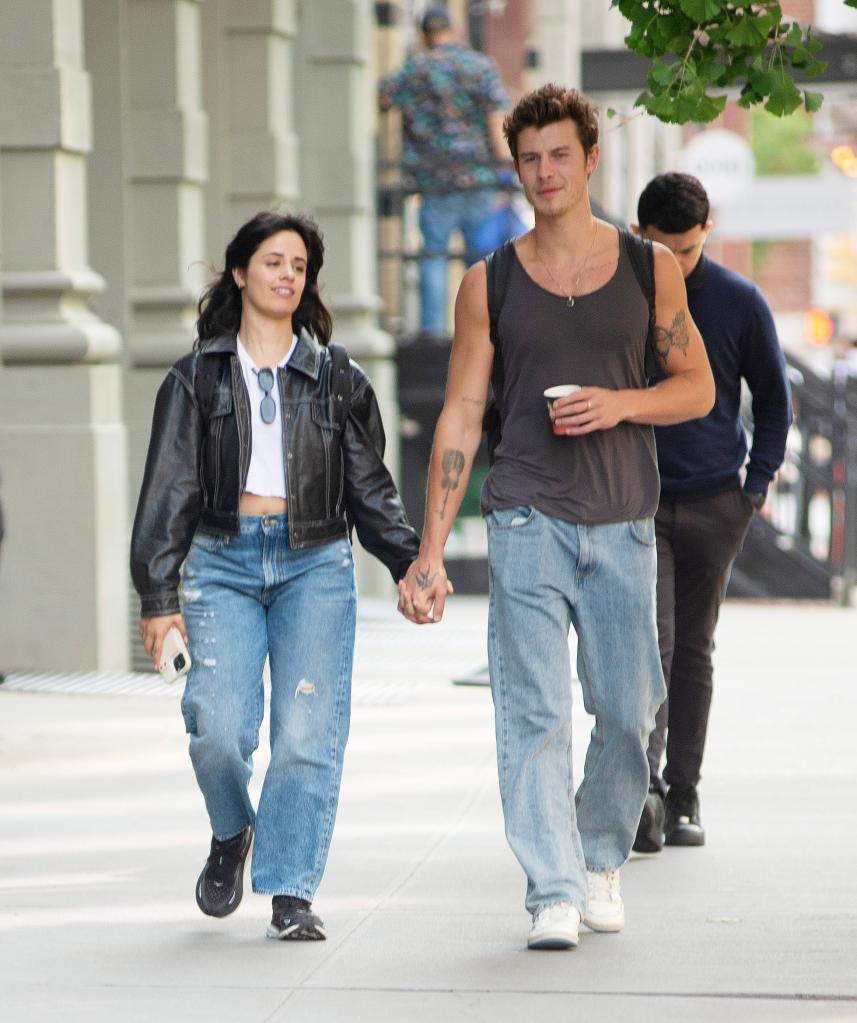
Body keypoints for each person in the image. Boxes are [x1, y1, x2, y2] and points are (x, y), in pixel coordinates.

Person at [397, 83, 715, 951]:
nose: (544, 172)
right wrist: (429, 550)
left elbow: (697, 388)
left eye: (559, 156)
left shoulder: (648, 267)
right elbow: (462, 412)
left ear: (589, 159)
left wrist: (619, 404)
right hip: (526, 518)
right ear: (516, 168)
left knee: (628, 706)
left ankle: (599, 852)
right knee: (530, 711)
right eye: (529, 159)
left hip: (621, 520)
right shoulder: (486, 282)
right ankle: (551, 884)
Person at [130, 210, 419, 941]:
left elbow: (369, 485)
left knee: (306, 733)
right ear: (239, 272)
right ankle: (233, 831)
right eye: (272, 261)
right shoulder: (195, 377)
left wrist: (411, 564)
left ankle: (290, 890)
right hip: (221, 561)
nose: (287, 274)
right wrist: (158, 596)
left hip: (314, 564)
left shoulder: (334, 376)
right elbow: (167, 491)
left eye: (298, 265)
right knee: (217, 730)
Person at [632, 173, 791, 853]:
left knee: (691, 650)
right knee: (649, 647)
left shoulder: (738, 300)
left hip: (714, 500)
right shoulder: (617, 294)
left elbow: (776, 404)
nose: (675, 263)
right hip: (635, 500)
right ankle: (644, 793)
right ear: (638, 235)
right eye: (662, 250)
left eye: (688, 251)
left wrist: (749, 493)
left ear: (706, 233)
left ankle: (684, 789)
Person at [378, 6, 510, 336]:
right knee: (482, 258)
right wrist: (505, 166)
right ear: (452, 31)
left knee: (433, 254)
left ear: (424, 35)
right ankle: (488, 329)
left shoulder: (415, 68)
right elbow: (496, 120)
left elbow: (384, 96)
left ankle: (431, 330)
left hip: (434, 181)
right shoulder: (479, 66)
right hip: (478, 179)